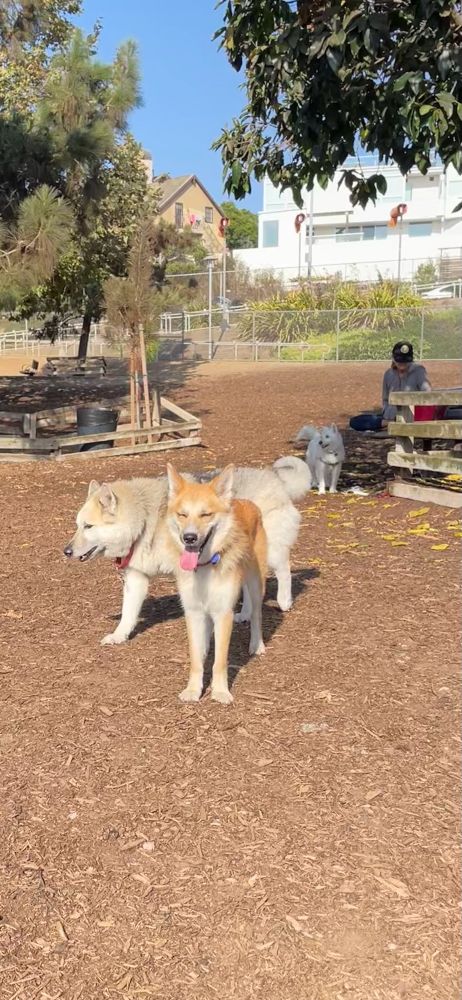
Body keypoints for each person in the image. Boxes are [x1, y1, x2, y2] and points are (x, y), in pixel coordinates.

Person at [349, 341, 431, 433]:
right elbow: (385, 399)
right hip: (389, 417)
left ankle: (391, 424)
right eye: (399, 360)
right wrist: (387, 414)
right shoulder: (388, 374)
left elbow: (427, 396)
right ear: (393, 358)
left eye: (405, 361)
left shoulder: (419, 371)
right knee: (355, 421)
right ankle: (388, 424)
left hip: (411, 417)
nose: (402, 364)